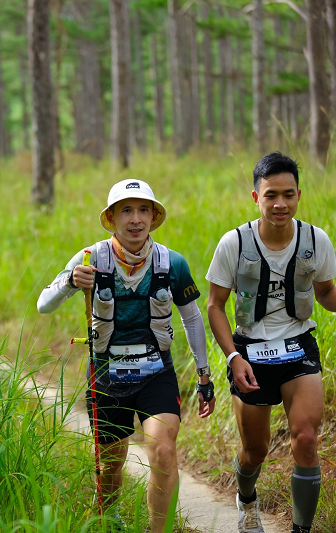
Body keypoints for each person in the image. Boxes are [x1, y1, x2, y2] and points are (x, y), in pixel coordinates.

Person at [206, 152, 336, 533]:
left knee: (306, 438)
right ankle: (246, 502)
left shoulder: (316, 239)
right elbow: (215, 305)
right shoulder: (234, 243)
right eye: (271, 195)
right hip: (250, 352)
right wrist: (233, 357)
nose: (280, 203)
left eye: (288, 194)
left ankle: (301, 529)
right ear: (255, 197)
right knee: (255, 452)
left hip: (298, 346)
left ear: (299, 195)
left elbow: (327, 292)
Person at [38, 179, 215, 532]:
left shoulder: (172, 263)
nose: (136, 219)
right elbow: (44, 304)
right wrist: (71, 280)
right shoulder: (91, 258)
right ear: (112, 217)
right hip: (106, 372)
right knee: (110, 465)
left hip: (156, 371)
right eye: (127, 210)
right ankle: (109, 515)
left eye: (143, 210)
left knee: (163, 450)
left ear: (153, 216)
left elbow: (192, 318)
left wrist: (204, 373)